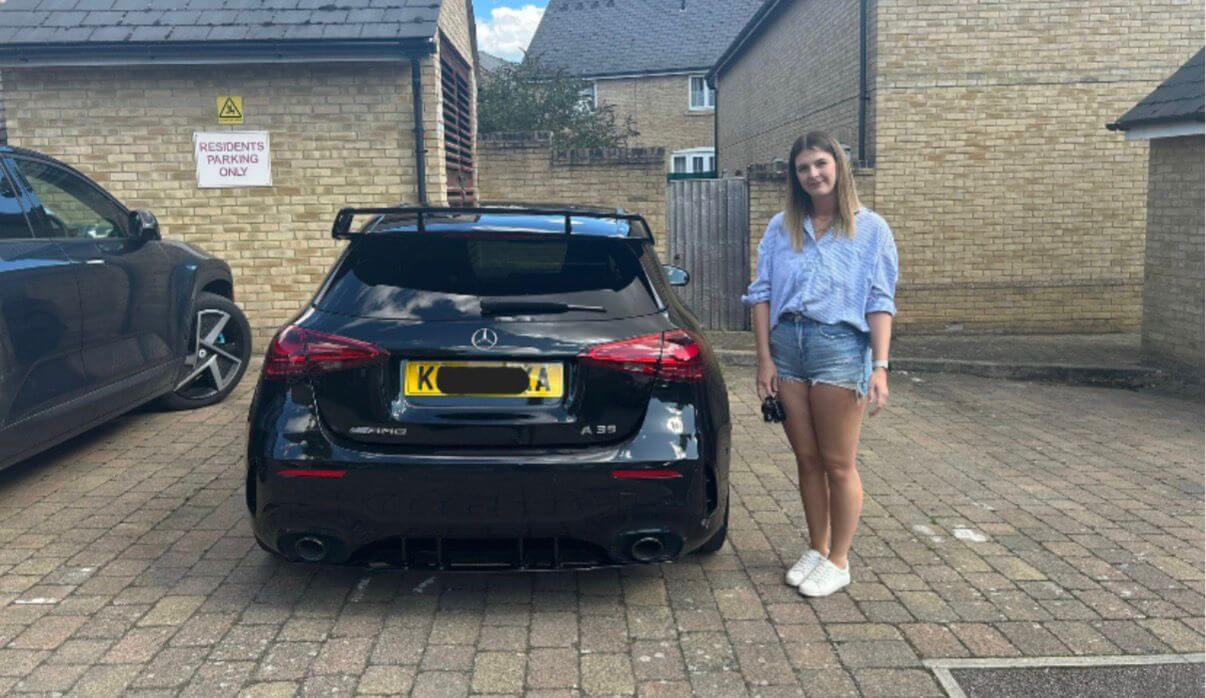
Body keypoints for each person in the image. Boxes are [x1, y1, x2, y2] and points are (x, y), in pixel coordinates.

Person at [741, 131, 898, 598]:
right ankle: (817, 547)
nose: (813, 174)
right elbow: (762, 294)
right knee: (807, 458)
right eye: (803, 168)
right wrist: (764, 359)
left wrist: (880, 366)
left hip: (839, 347)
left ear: (838, 166)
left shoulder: (871, 229)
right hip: (787, 346)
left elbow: (880, 300)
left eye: (820, 164)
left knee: (837, 463)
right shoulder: (781, 227)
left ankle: (839, 560)